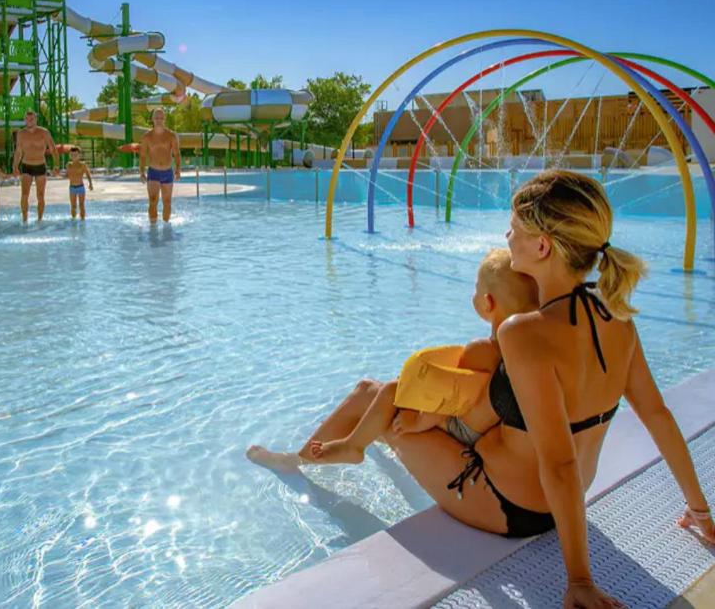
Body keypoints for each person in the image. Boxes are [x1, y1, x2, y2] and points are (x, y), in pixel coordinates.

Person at [250, 170, 715, 608]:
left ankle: (308, 458)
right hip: (545, 493)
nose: (506, 237)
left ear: (542, 245)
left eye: (512, 228)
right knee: (374, 388)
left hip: (508, 505)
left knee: (385, 403)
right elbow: (658, 416)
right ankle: (310, 455)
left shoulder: (523, 333)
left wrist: (578, 581)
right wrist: (699, 508)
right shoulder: (616, 320)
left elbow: (558, 461)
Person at [303, 248, 538, 465]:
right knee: (393, 392)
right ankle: (359, 436)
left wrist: (416, 422)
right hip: (485, 430)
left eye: (476, 288)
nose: (473, 294)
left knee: (391, 390)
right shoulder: (519, 350)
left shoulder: (481, 350)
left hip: (461, 431)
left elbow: (448, 400)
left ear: (488, 303)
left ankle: (350, 447)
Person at [12, 110, 59, 222]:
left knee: (40, 195)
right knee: (24, 194)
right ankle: (24, 219)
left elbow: (53, 149)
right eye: (27, 119)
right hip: (26, 165)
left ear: (36, 120)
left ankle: (40, 219)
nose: (29, 121)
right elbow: (18, 151)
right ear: (25, 120)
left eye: (32, 119)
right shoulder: (21, 133)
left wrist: (56, 165)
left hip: (40, 165)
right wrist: (15, 166)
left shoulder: (44, 132)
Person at [139, 108, 180, 223]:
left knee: (167, 201)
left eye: (161, 118)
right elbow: (142, 155)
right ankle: (153, 227)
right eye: (156, 118)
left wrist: (178, 169)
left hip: (167, 172)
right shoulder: (147, 137)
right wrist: (142, 172)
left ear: (164, 119)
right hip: (153, 172)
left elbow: (177, 153)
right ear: (152, 119)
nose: (159, 120)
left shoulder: (171, 136)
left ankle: (166, 226)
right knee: (153, 200)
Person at [65, 146, 93, 220]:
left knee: (81, 205)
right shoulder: (68, 165)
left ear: (79, 155)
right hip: (72, 188)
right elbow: (66, 175)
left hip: (81, 187)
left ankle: (82, 221)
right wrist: (57, 174)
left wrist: (90, 183)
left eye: (75, 155)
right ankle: (73, 220)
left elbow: (88, 174)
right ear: (70, 155)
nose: (74, 157)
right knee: (73, 206)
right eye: (72, 155)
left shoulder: (82, 165)